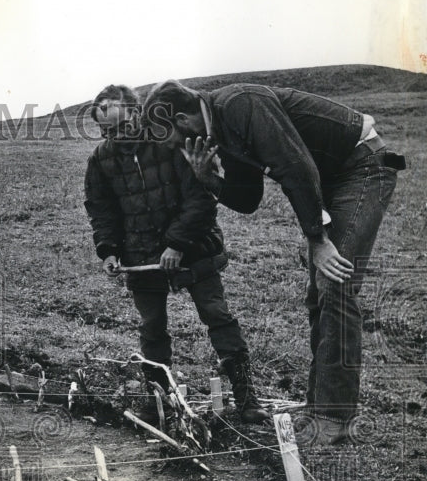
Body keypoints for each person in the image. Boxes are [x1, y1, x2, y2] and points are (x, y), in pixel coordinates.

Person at [143, 79, 405, 444]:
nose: (172, 147)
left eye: (168, 137)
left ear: (185, 119)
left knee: (335, 283)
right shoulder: (219, 128)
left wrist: (319, 239)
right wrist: (207, 178)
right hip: (329, 178)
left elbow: (297, 168)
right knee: (321, 291)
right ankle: (320, 407)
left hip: (361, 167)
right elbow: (248, 198)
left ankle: (334, 418)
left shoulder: (241, 105)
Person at [83, 84, 268, 424]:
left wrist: (177, 244)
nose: (116, 136)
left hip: (195, 249)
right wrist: (107, 250)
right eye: (106, 130)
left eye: (122, 126)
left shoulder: (174, 143)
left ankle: (247, 399)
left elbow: (201, 199)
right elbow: (101, 209)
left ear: (138, 114)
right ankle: (161, 403)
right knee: (152, 328)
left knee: (217, 316)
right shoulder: (101, 159)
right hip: (141, 258)